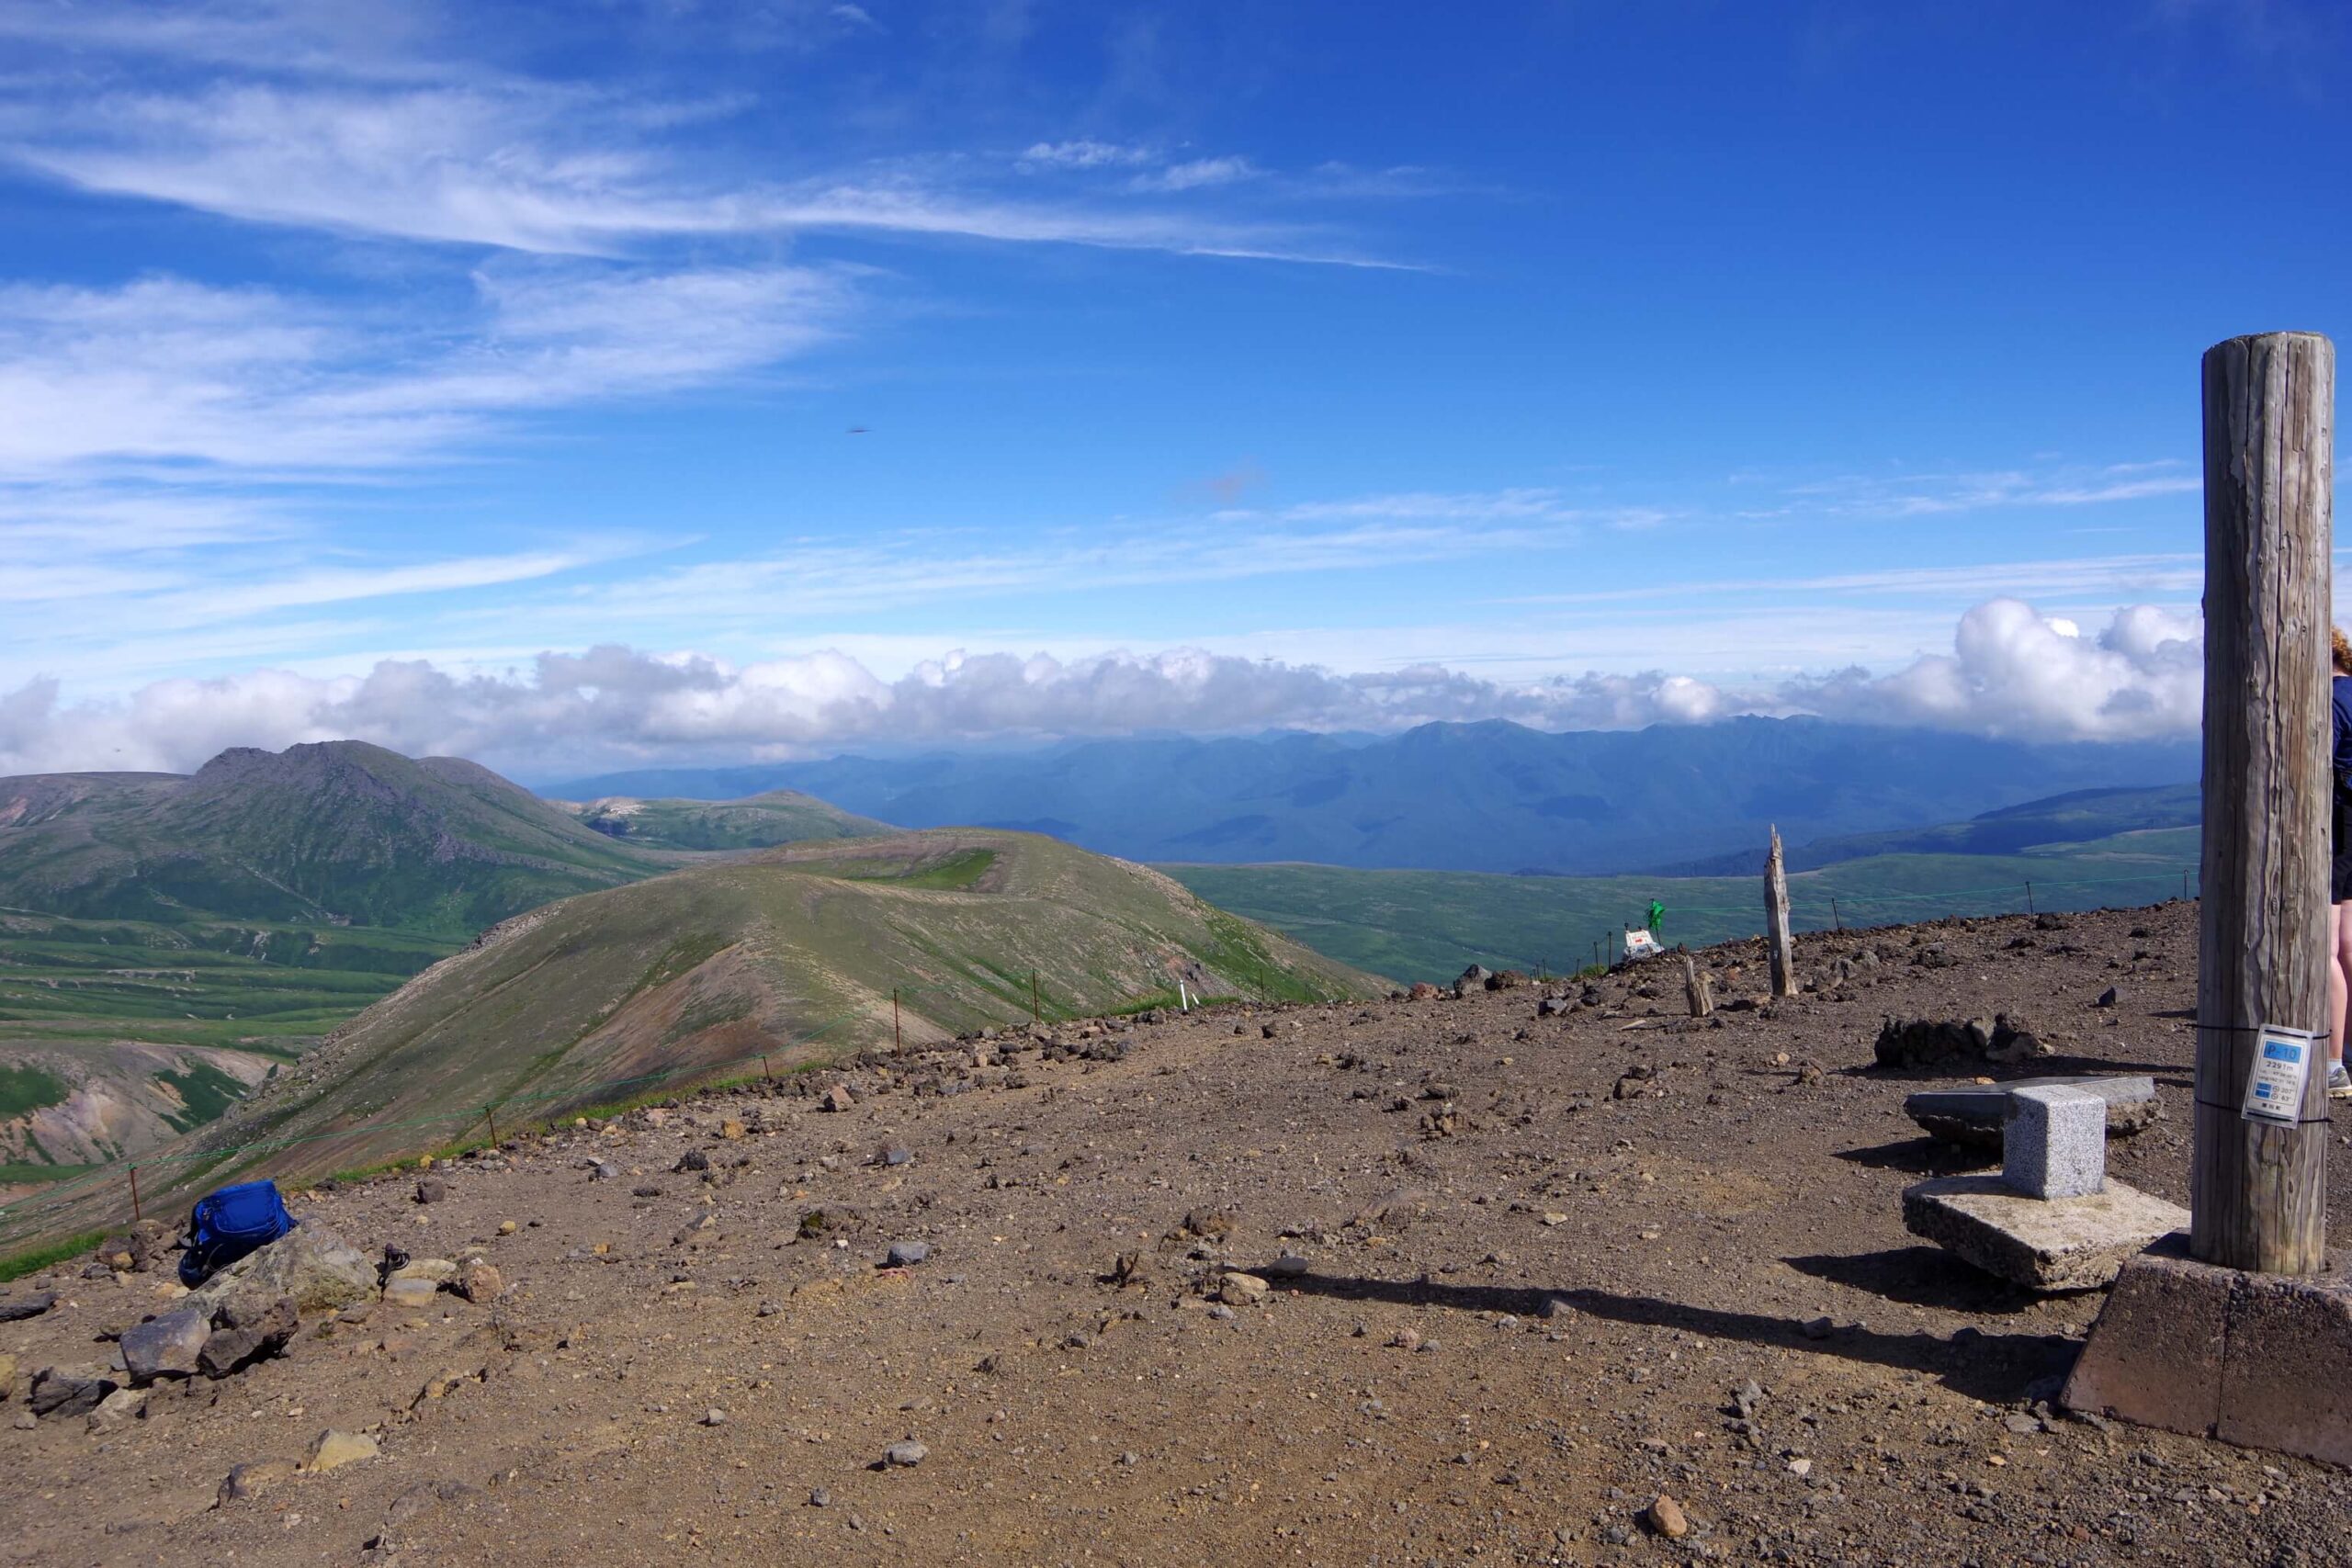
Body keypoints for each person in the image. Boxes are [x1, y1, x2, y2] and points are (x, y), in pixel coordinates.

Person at [2329, 626, 2352, 1099]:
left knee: (2325, 948)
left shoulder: (2329, 699)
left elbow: (2316, 761)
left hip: (2339, 829)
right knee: (2350, 945)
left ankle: (2332, 1065)